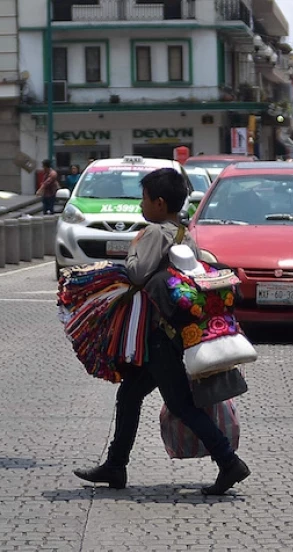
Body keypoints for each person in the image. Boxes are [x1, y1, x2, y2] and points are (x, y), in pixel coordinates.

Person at [73, 168, 250, 496]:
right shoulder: (185, 234)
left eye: (143, 199)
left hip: (159, 336)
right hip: (171, 333)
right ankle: (115, 465)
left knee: (181, 404)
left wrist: (134, 246)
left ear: (158, 202)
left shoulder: (154, 233)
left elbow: (137, 273)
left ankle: (229, 462)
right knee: (130, 394)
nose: (140, 204)